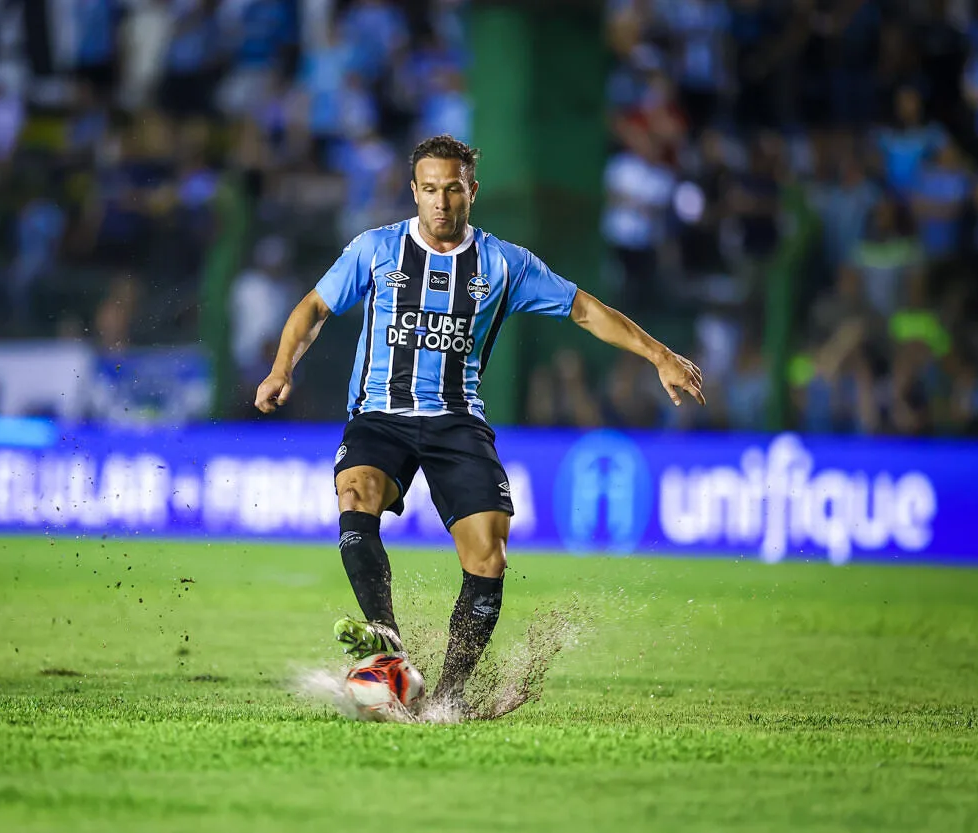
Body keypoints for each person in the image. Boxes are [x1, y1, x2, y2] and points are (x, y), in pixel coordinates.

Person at [254, 135, 705, 710]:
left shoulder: (503, 264)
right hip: (380, 415)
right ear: (413, 192)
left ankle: (448, 697)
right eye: (429, 190)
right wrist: (280, 368)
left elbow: (586, 310)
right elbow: (314, 307)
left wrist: (660, 355)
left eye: (453, 189)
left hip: (457, 421)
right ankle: (387, 644)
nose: (441, 202)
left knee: (488, 556)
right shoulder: (374, 251)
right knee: (356, 492)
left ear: (472, 190)